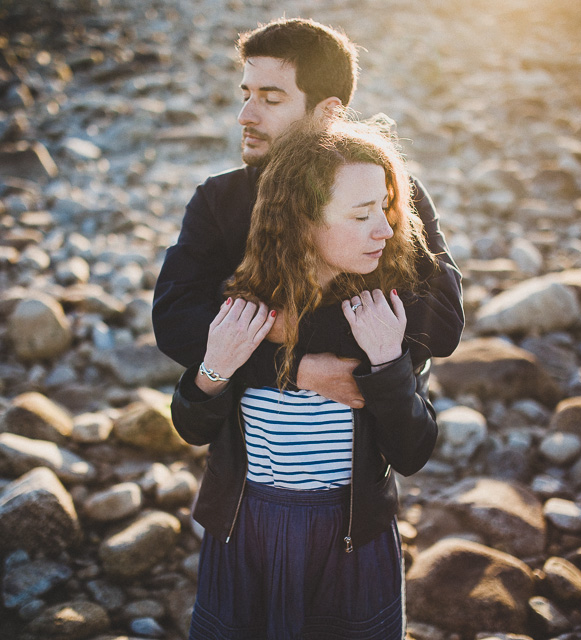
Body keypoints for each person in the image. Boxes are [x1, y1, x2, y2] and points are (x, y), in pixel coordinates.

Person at [170, 116, 439, 639]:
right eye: (362, 215)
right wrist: (215, 367)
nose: (384, 229)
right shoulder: (243, 307)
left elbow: (413, 452)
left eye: (385, 209)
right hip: (243, 530)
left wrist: (387, 363)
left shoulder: (384, 312)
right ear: (302, 222)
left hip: (351, 538)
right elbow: (191, 426)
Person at [152, 18, 463, 407]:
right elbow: (175, 325)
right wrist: (298, 368)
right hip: (246, 455)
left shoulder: (393, 191)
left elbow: (442, 325)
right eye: (246, 94)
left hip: (369, 452)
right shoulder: (220, 197)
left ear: (328, 112)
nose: (245, 115)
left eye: (271, 99)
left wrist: (280, 327)